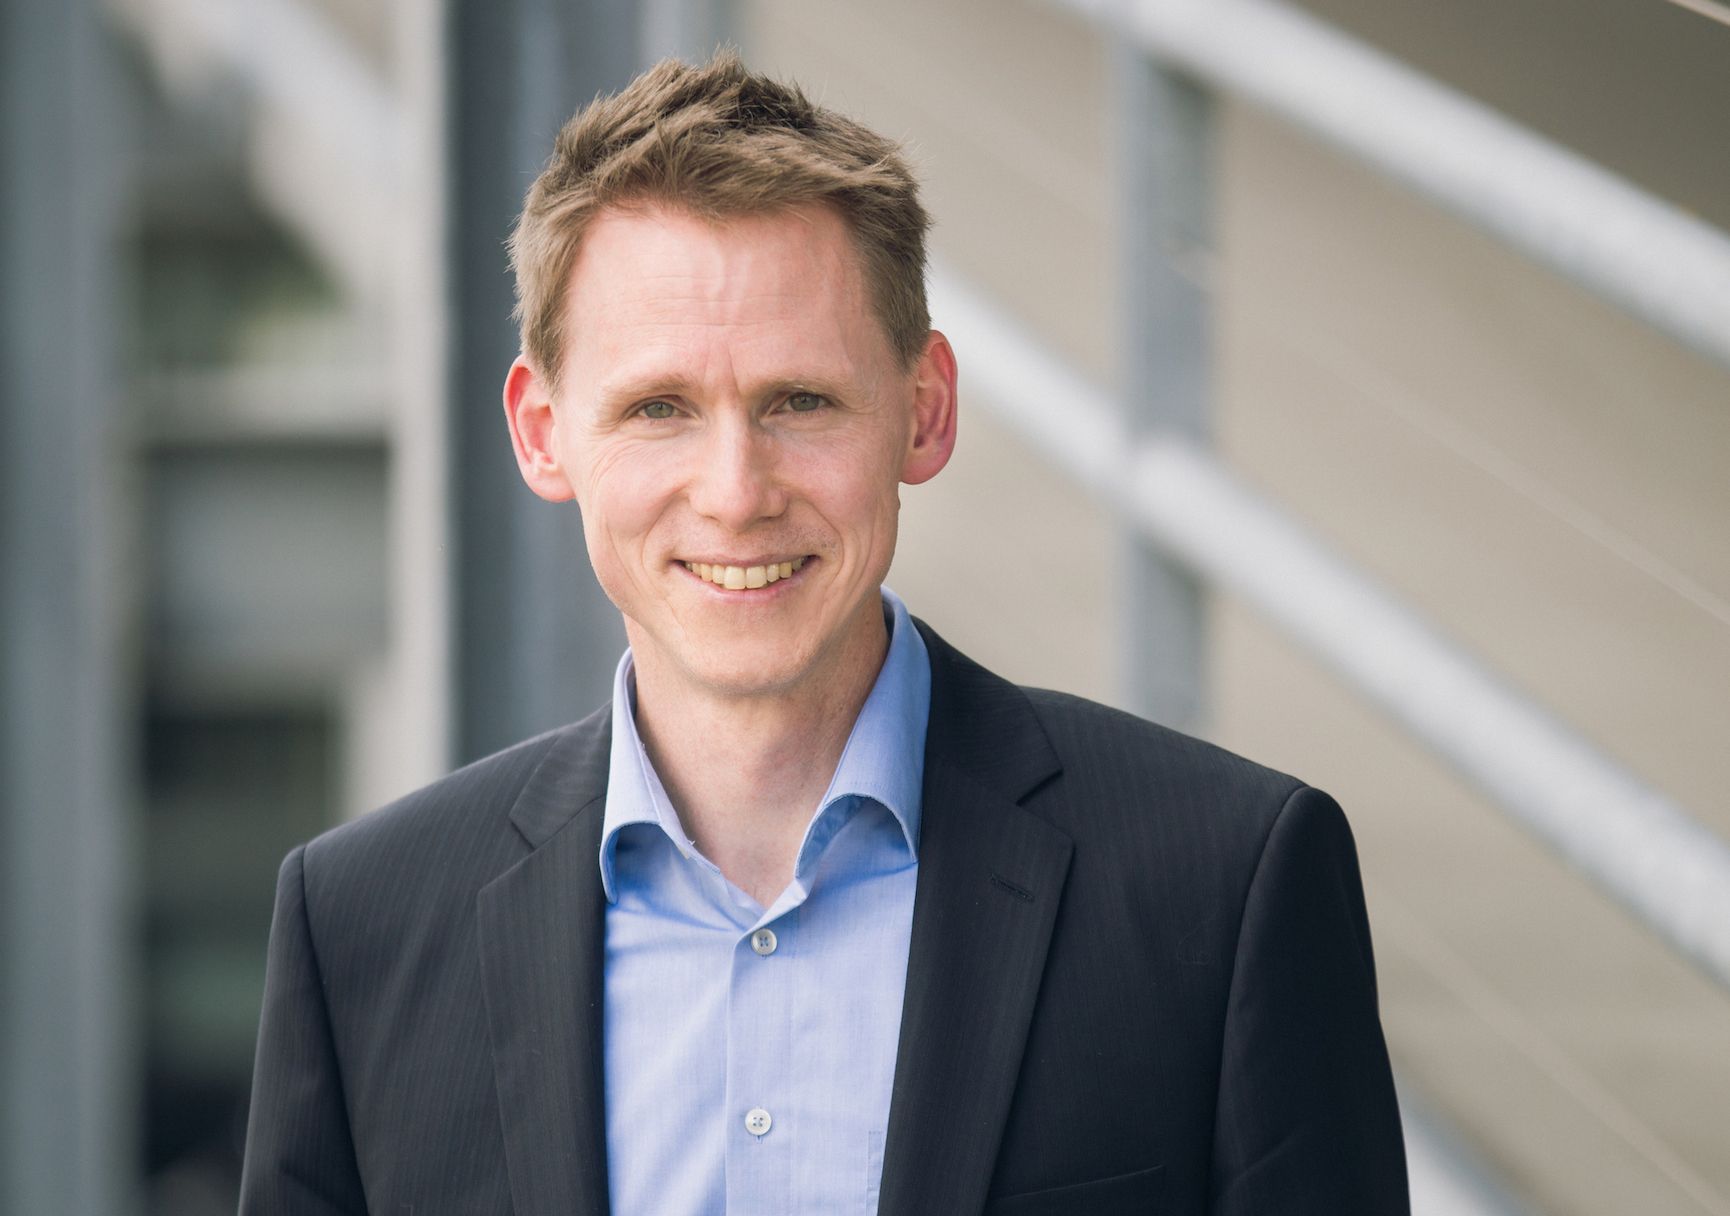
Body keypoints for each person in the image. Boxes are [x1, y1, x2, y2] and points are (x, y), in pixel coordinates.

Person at [240, 52, 1408, 1216]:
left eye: (798, 401)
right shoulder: (359, 929)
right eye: (659, 408)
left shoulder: (1224, 884)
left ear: (924, 411)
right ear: (543, 433)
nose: (735, 492)